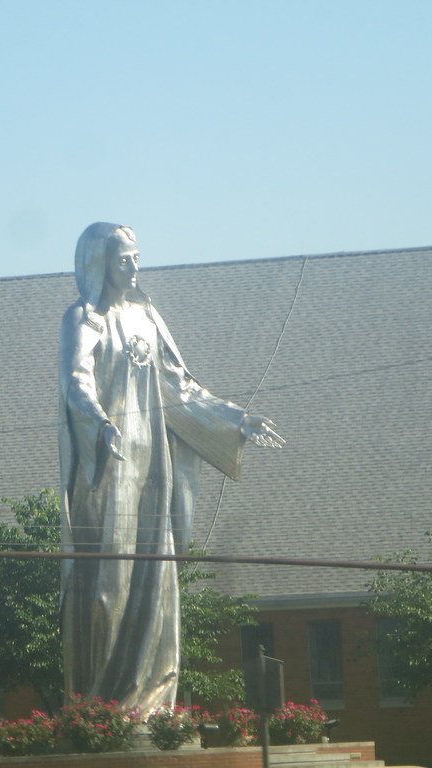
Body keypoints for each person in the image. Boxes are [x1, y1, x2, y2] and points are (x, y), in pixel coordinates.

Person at [58, 222, 283, 714]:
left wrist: (237, 420)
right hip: (108, 462)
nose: (134, 267)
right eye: (123, 259)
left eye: (136, 257)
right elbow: (76, 382)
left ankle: (151, 700)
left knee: (155, 574)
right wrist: (97, 424)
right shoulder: (83, 319)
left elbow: (180, 388)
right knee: (108, 580)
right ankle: (99, 702)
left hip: (153, 458)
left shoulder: (146, 316)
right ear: (99, 264)